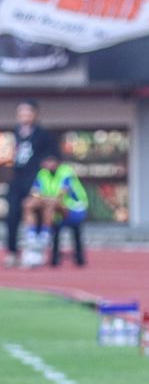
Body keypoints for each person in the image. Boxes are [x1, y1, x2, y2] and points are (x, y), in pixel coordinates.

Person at [0, 99, 56, 268]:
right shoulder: (13, 135)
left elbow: (53, 159)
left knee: (34, 213)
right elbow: (6, 159)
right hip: (16, 181)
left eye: (28, 112)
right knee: (12, 216)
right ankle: (12, 252)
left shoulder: (43, 135)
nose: (24, 116)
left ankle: (34, 252)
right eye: (21, 112)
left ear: (35, 114)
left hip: (35, 182)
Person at [21, 152, 88, 267]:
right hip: (53, 206)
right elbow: (35, 193)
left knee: (50, 204)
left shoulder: (66, 172)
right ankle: (31, 235)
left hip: (74, 208)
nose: (48, 164)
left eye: (51, 161)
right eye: (46, 161)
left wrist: (45, 198)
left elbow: (62, 193)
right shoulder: (42, 174)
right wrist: (43, 198)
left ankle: (45, 235)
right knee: (28, 204)